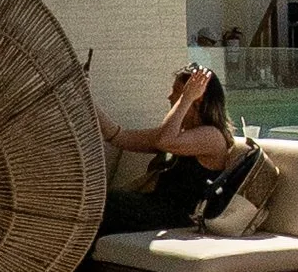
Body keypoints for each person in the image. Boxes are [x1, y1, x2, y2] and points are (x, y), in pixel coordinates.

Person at [98, 64, 241, 233]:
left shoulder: (212, 136)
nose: (169, 97)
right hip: (157, 208)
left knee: (106, 204)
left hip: (180, 216)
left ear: (198, 97)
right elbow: (119, 137)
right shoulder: (180, 134)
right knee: (99, 202)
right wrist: (85, 97)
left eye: (176, 92)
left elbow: (166, 140)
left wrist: (186, 98)